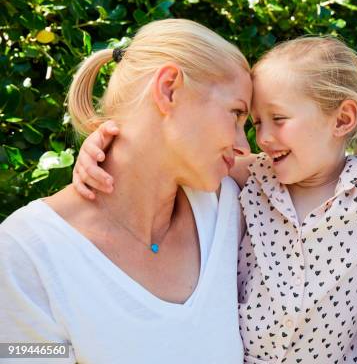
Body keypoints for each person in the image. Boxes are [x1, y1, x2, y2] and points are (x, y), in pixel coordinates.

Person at [71, 35, 357, 363]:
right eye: (256, 122)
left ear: (342, 120)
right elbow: (162, 155)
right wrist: (105, 147)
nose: (262, 138)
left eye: (278, 118)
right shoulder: (256, 177)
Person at [0, 18, 252, 363]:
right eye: (236, 114)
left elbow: (348, 183)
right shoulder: (25, 253)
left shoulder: (228, 205)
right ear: (169, 89)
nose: (243, 145)